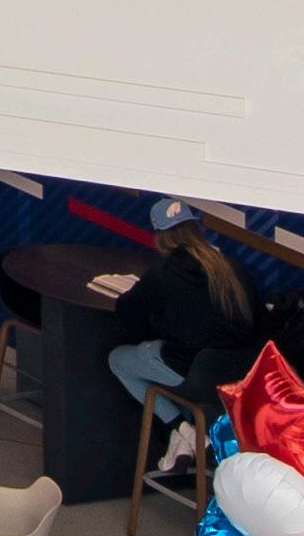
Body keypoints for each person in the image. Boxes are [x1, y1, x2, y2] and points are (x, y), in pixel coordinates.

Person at [105, 199, 259, 468]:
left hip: (194, 374)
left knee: (118, 359)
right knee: (166, 350)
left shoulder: (164, 274)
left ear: (160, 237)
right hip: (238, 373)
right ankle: (184, 440)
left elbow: (127, 311)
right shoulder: (231, 267)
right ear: (195, 228)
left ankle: (182, 428)